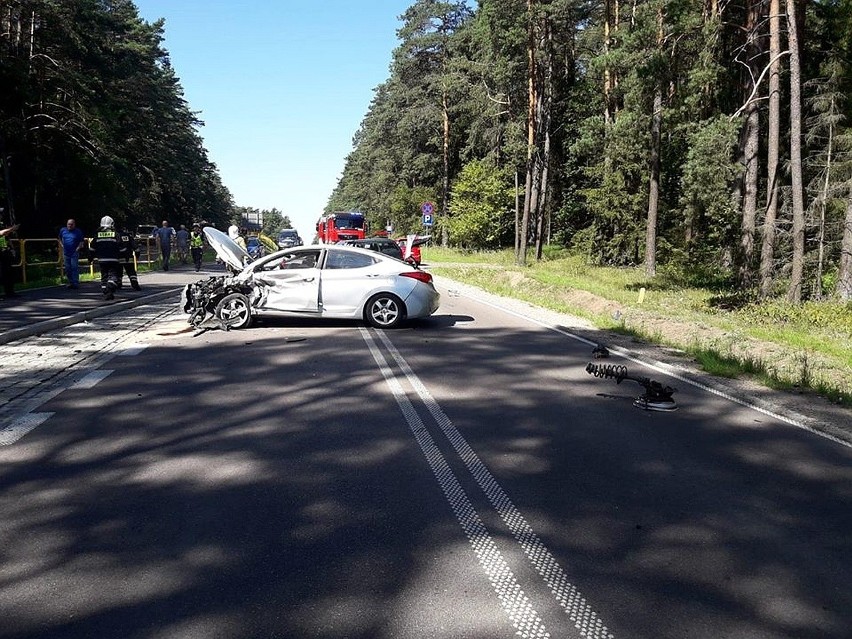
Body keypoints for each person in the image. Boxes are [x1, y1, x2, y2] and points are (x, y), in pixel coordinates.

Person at [89, 216, 125, 300]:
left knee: (104, 276)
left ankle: (106, 291)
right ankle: (110, 288)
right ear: (112, 224)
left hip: (101, 260)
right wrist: (123, 255)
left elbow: (92, 247)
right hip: (113, 259)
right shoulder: (115, 234)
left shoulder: (97, 234)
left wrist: (90, 257)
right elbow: (122, 247)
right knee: (113, 276)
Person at [58, 218, 84, 289]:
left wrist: (78, 248)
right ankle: (71, 282)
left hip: (74, 252)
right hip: (66, 252)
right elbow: (59, 238)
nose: (70, 226)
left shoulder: (78, 231)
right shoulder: (63, 230)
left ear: (74, 225)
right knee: (67, 268)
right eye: (68, 224)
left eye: (71, 224)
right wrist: (62, 245)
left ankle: (75, 283)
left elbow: (81, 241)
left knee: (74, 267)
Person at [0, 221, 21, 300]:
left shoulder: (1, 224)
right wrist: (12, 229)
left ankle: (10, 292)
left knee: (9, 272)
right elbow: (1, 233)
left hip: (4, 251)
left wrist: (12, 249)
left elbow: (5, 236)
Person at [118, 226, 141, 290]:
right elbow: (135, 247)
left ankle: (118, 284)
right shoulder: (128, 236)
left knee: (118, 272)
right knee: (131, 272)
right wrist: (137, 255)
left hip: (118, 258)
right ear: (124, 229)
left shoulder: (115, 236)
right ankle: (134, 284)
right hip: (128, 258)